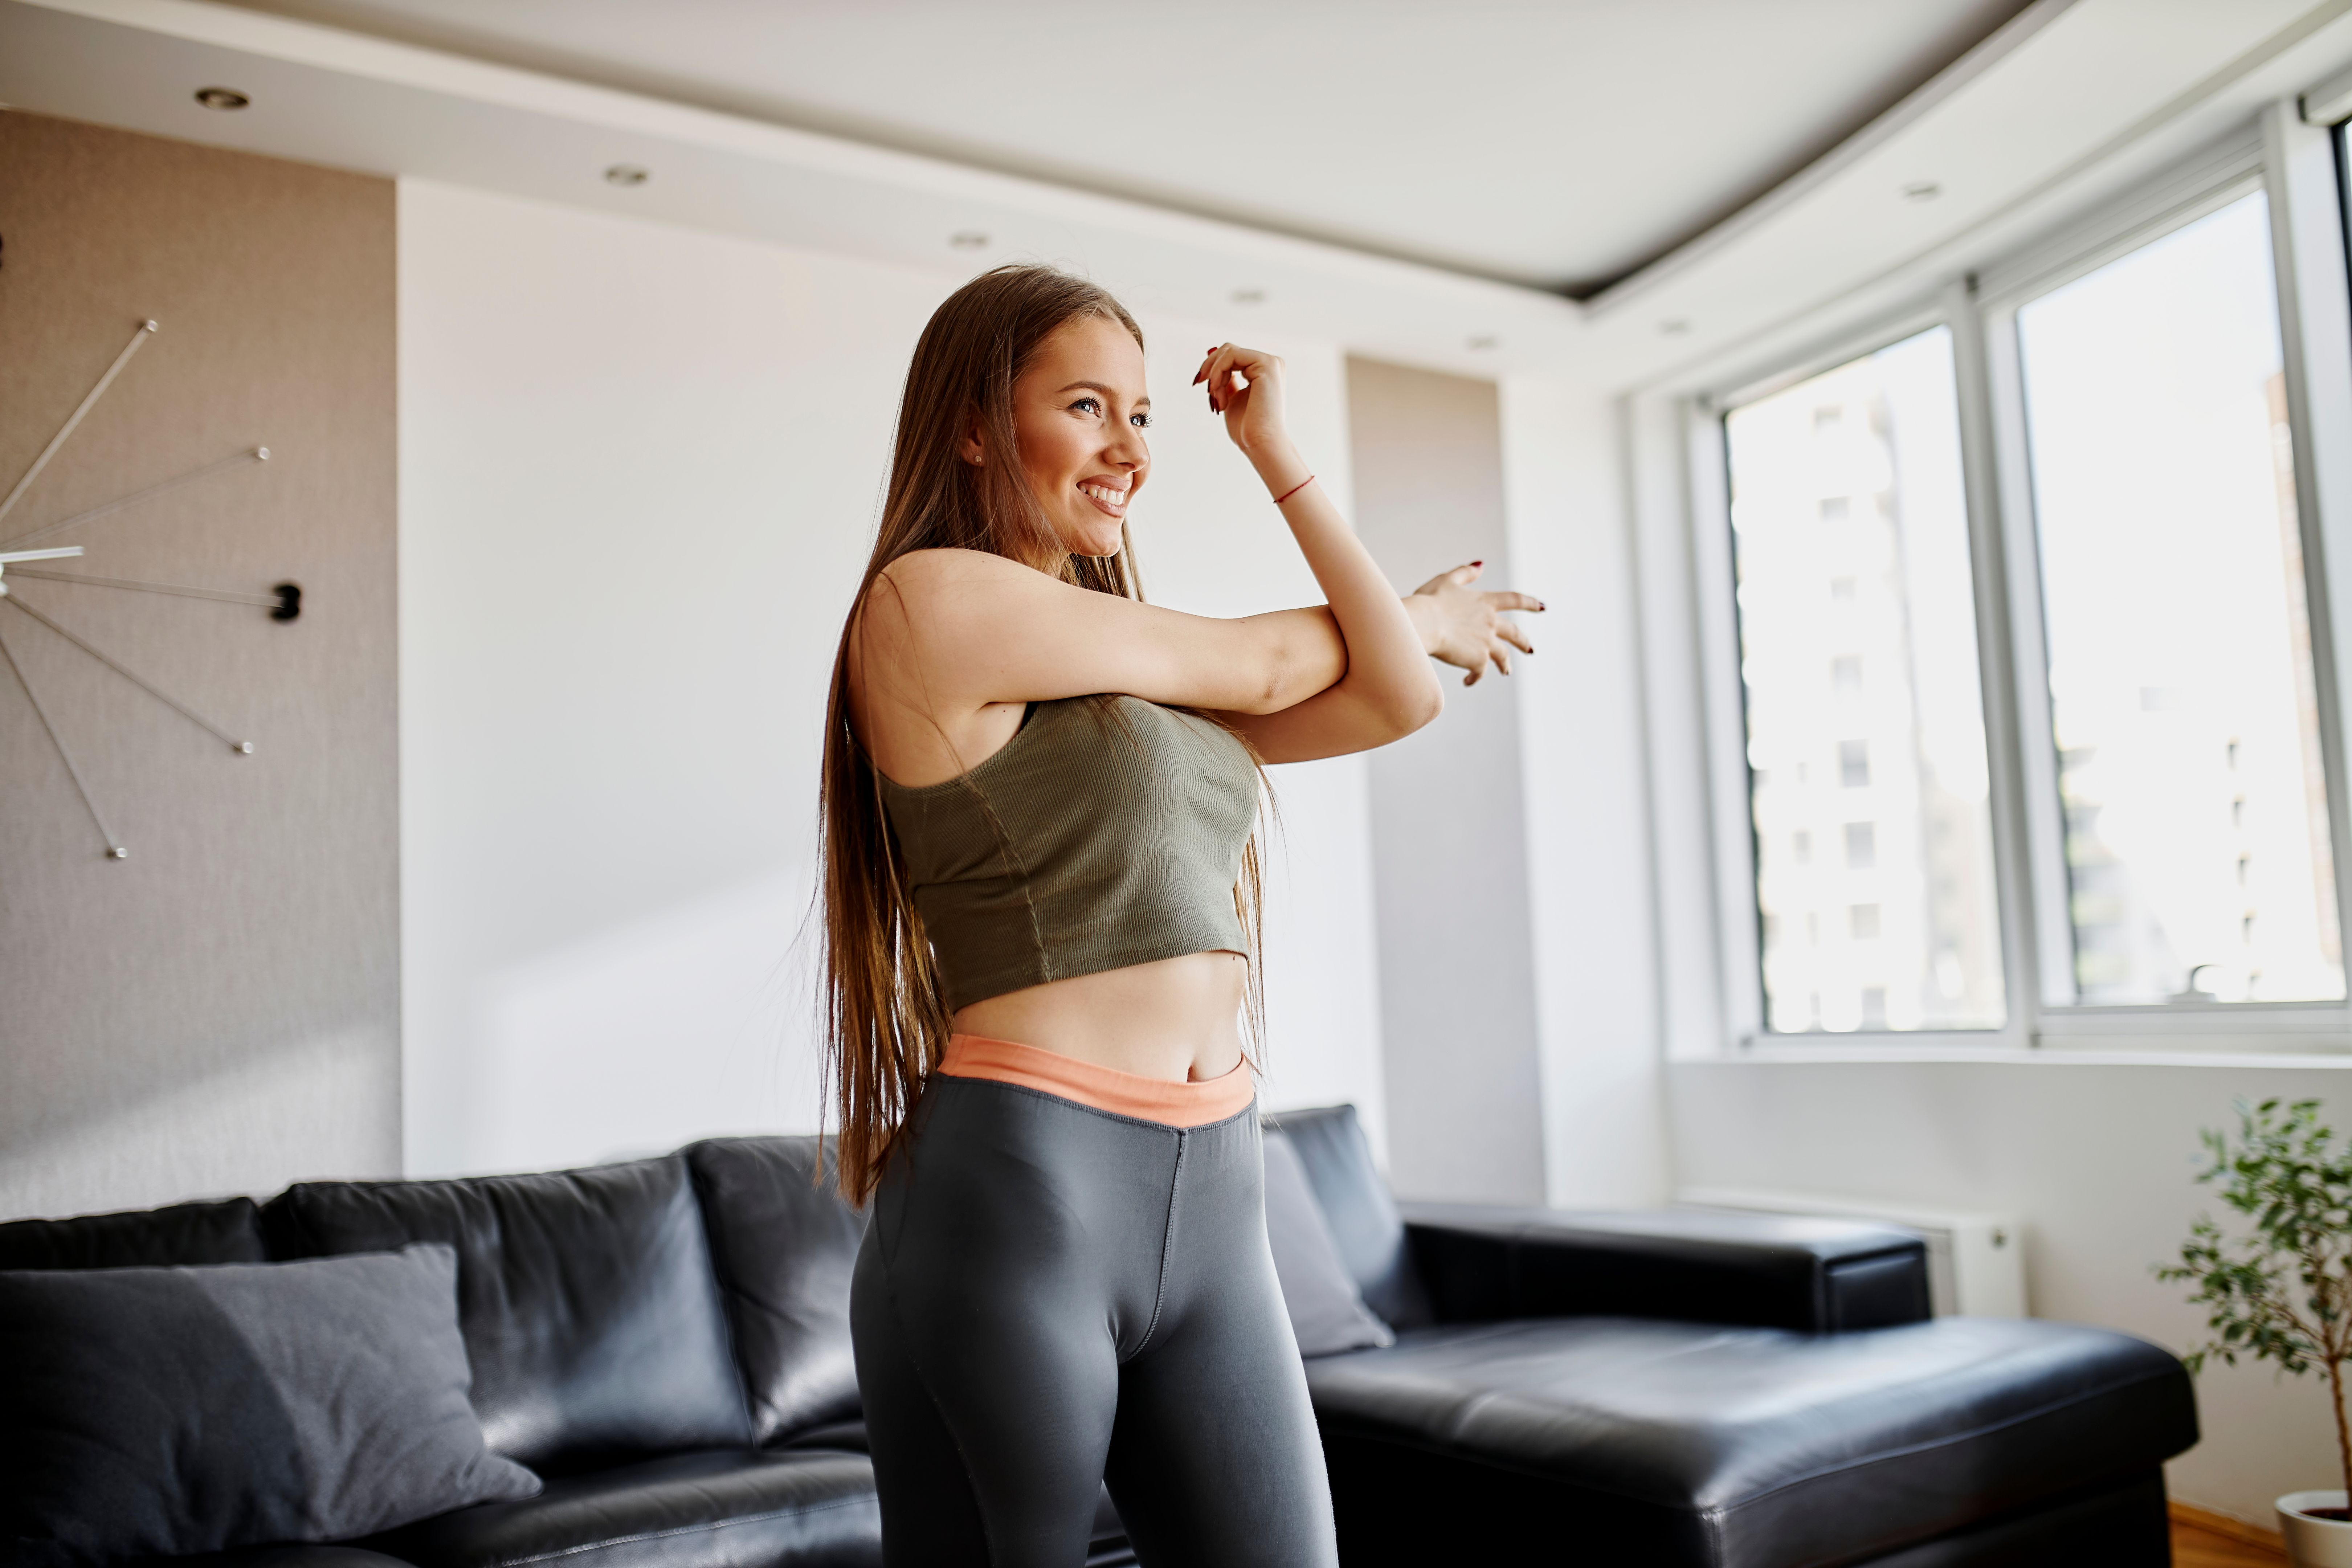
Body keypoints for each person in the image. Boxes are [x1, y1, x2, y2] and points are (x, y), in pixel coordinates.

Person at [821, 264, 1538, 1567]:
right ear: (977, 424)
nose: (1129, 448)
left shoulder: (1124, 654)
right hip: (1022, 1190)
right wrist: (1427, 612)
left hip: (1217, 1191)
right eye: (1087, 406)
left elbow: (1394, 695)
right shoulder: (927, 602)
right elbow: (1287, 660)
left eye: (1143, 415)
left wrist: (1277, 453)